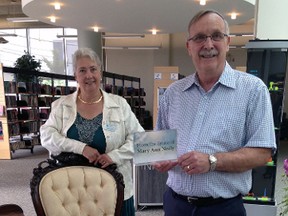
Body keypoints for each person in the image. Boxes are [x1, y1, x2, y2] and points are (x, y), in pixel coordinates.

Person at [154, 9, 276, 216]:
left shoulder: (253, 90)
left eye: (216, 36)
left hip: (223, 208)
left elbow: (262, 153)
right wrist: (160, 157)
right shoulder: (173, 93)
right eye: (200, 37)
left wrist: (212, 162)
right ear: (189, 47)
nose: (208, 45)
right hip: (176, 205)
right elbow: (160, 144)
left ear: (227, 42)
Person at [40, 47, 144, 216]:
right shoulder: (61, 106)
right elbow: (46, 136)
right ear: (75, 76)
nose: (89, 75)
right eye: (82, 70)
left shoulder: (120, 105)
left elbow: (139, 139)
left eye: (93, 69)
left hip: (115, 189)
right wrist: (80, 148)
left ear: (100, 73)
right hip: (72, 193)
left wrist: (114, 156)